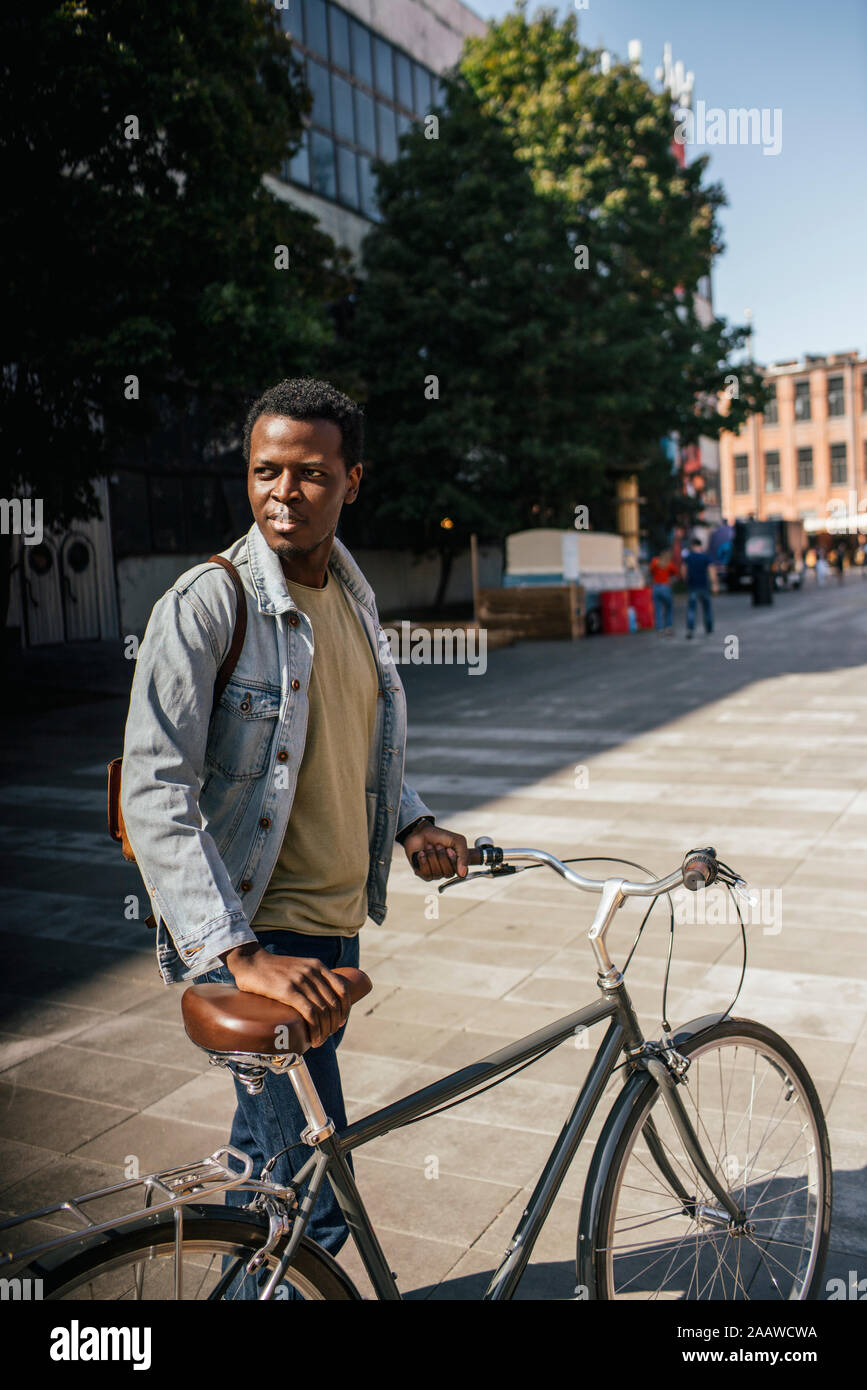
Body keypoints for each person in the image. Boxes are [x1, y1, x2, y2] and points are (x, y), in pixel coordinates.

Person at [120, 377, 469, 1275]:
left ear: (353, 481)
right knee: (308, 1210)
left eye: (309, 474)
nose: (282, 492)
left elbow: (359, 742)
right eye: (264, 470)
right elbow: (152, 791)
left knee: (273, 1187)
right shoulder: (206, 604)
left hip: (333, 937)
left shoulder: (349, 600)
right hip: (262, 945)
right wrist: (238, 956)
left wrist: (412, 821)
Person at [682, 537, 717, 638]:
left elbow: (683, 570)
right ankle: (709, 628)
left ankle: (690, 629)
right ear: (700, 546)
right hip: (704, 586)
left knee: (691, 609)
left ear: (692, 546)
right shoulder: (705, 557)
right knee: (707, 608)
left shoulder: (688, 557)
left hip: (692, 586)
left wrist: (686, 581)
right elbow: (711, 570)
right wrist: (714, 583)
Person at [649, 549, 679, 634]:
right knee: (669, 608)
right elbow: (676, 573)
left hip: (656, 587)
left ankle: (660, 628)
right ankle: (668, 627)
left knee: (658, 609)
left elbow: (650, 571)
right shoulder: (669, 564)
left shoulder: (655, 561)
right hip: (665, 587)